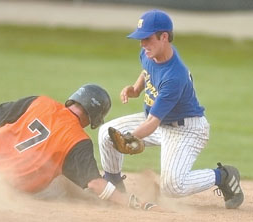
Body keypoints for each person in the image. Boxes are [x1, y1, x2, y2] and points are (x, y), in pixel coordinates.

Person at [98, 10, 244, 209]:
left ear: (164, 37)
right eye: (140, 38)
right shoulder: (149, 52)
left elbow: (151, 122)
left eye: (147, 38)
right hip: (160, 120)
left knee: (172, 186)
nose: (142, 44)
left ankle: (223, 176)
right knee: (107, 134)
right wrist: (135, 88)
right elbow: (146, 70)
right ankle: (114, 184)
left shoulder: (174, 76)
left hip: (186, 130)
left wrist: (129, 136)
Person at [0, 83, 159, 210]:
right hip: (6, 188)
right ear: (94, 117)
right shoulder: (79, 140)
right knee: (63, 182)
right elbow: (95, 184)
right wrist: (130, 202)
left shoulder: (41, 101)